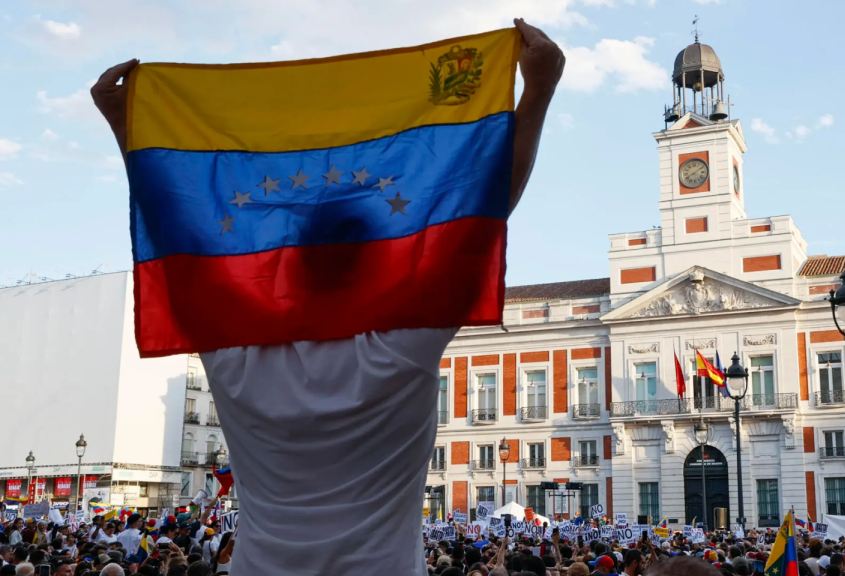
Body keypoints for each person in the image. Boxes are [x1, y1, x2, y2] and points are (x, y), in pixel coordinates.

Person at [90, 17, 563, 576]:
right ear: (377, 260)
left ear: (282, 260)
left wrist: (127, 129)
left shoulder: (231, 348)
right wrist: (538, 90)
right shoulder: (402, 345)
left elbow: (174, 223)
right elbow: (480, 215)